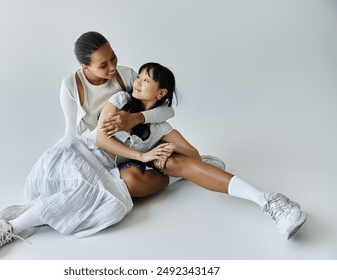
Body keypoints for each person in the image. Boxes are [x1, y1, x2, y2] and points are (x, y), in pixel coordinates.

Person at [0, 32, 224, 260]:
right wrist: (64, 154)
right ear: (85, 67)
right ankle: (12, 225)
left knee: (105, 196)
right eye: (103, 64)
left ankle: (18, 222)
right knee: (79, 190)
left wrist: (136, 119)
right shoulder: (71, 85)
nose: (112, 66)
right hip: (89, 145)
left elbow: (164, 108)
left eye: (113, 57)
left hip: (121, 151)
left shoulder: (127, 76)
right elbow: (72, 129)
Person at [95, 62, 307, 240]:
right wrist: (145, 156)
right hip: (102, 160)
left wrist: (167, 149)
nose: (138, 82)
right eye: (139, 77)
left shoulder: (161, 127)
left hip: (125, 166)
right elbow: (101, 139)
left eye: (146, 80)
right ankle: (177, 177)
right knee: (133, 180)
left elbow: (195, 156)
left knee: (146, 176)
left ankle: (268, 200)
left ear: (161, 92)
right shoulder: (121, 100)